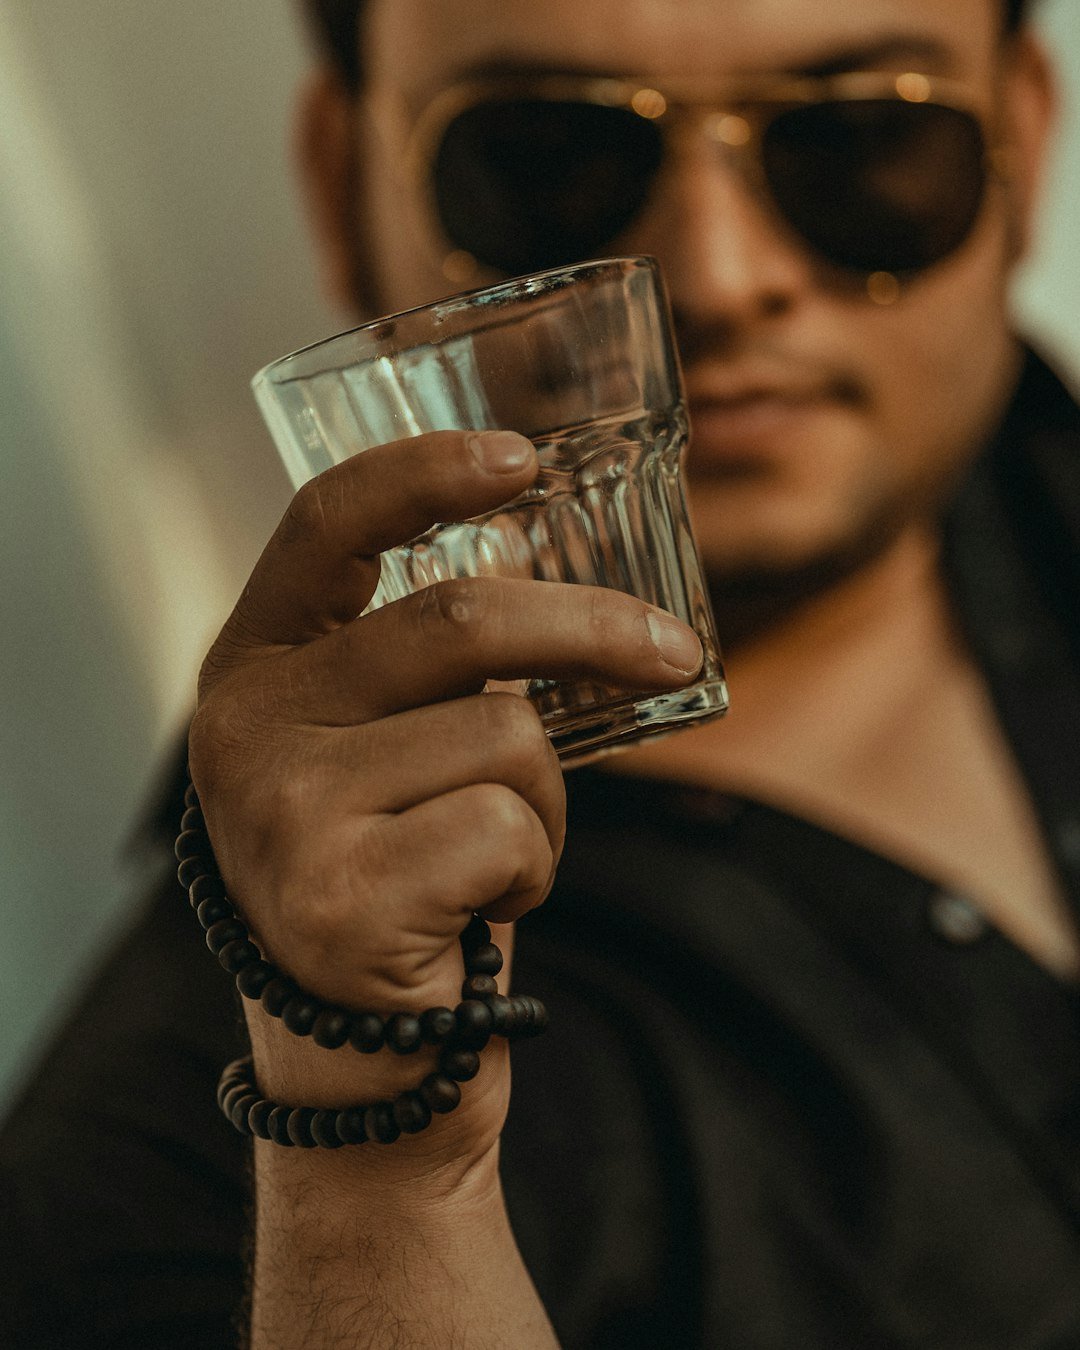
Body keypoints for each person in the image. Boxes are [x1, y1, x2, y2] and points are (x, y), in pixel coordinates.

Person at [4, 0, 1080, 1345]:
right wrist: (382, 1188)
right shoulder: (185, 1151)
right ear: (341, 184)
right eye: (548, 158)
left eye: (861, 140)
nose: (717, 273)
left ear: (1023, 144)